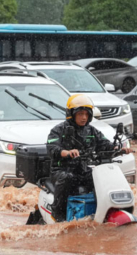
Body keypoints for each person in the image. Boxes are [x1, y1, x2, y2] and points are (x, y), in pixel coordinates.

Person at [46, 94, 131, 222]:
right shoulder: (58, 130)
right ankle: (58, 214)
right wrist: (67, 152)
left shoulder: (91, 131)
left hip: (83, 170)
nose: (84, 117)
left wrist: (118, 150)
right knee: (67, 178)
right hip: (61, 170)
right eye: (80, 114)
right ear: (72, 114)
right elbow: (52, 148)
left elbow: (104, 145)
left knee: (99, 178)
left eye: (86, 114)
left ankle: (100, 212)